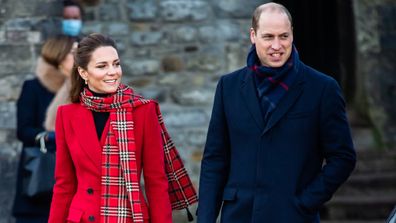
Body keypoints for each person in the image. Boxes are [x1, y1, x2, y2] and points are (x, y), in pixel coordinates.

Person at [197, 3, 356, 223]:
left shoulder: (322, 88)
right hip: (239, 216)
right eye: (268, 36)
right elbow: (215, 160)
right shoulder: (228, 87)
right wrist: (205, 218)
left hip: (294, 216)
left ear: (292, 35)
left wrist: (307, 201)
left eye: (283, 36)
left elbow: (343, 158)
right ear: (253, 35)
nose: (276, 45)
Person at [48, 33, 197, 223]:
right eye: (102, 66)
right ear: (84, 73)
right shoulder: (67, 115)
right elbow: (64, 184)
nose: (113, 72)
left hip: (130, 217)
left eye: (116, 64)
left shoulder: (143, 111)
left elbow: (156, 182)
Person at [12, 35, 77, 223]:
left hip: (74, 181)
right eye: (74, 53)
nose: (80, 57)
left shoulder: (82, 88)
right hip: (41, 177)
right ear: (59, 56)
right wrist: (49, 136)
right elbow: (23, 130)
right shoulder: (33, 87)